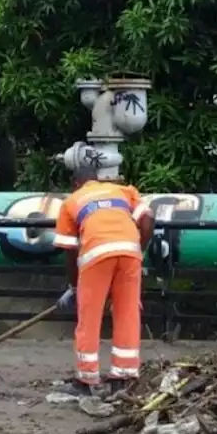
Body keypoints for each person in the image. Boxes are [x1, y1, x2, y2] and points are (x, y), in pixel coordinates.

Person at [52, 167, 154, 396]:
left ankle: (87, 380)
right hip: (130, 253)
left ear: (75, 182)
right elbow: (147, 221)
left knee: (89, 316)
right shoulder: (124, 191)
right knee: (127, 312)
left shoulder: (71, 202)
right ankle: (124, 377)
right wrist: (138, 252)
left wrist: (74, 287)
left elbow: (69, 250)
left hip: (95, 255)